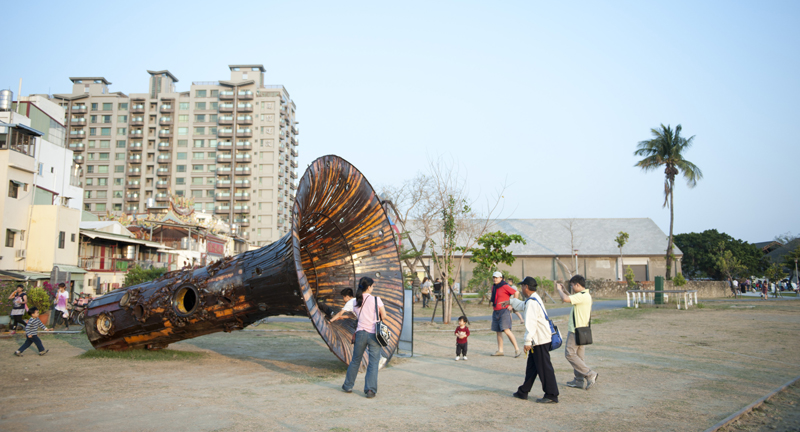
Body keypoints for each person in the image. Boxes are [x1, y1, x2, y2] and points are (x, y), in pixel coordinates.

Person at [504, 276, 559, 403]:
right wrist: (511, 302)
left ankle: (551, 394)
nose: (521, 288)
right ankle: (523, 391)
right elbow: (523, 305)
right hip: (540, 338)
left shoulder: (532, 303)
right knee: (532, 367)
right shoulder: (533, 299)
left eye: (522, 286)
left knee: (544, 368)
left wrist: (527, 342)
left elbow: (531, 324)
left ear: (526, 287)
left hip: (539, 340)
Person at [342, 277, 386, 398]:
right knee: (373, 362)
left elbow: (355, 314)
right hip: (374, 334)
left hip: (360, 333)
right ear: (369, 287)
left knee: (356, 360)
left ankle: (348, 385)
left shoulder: (356, 301)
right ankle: (370, 390)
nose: (373, 288)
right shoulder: (377, 300)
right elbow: (384, 316)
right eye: (372, 286)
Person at [556, 275, 598, 390]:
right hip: (582, 330)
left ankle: (590, 374)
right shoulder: (585, 295)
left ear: (577, 285)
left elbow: (565, 299)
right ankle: (578, 380)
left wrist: (559, 290)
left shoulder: (582, 296)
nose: (572, 288)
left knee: (569, 354)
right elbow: (572, 298)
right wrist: (564, 290)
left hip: (575, 330)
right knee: (579, 357)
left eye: (572, 285)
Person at [489, 271, 521, 357]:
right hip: (496, 311)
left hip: (504, 311)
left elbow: (516, 293)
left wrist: (512, 304)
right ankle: (500, 350)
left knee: (507, 330)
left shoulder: (505, 286)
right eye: (494, 277)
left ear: (501, 278)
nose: (495, 279)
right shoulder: (494, 287)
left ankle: (517, 349)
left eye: (496, 277)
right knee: (498, 331)